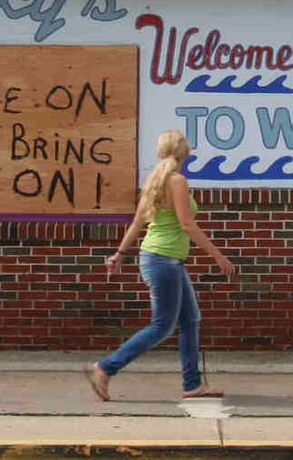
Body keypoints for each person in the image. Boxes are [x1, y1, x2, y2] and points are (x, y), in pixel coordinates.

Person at [84, 129, 235, 401]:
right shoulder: (177, 181)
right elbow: (187, 224)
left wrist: (119, 254)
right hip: (163, 261)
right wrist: (218, 255)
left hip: (162, 259)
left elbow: (137, 224)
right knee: (162, 326)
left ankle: (192, 385)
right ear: (184, 153)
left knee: (190, 320)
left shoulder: (154, 180)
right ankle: (105, 368)